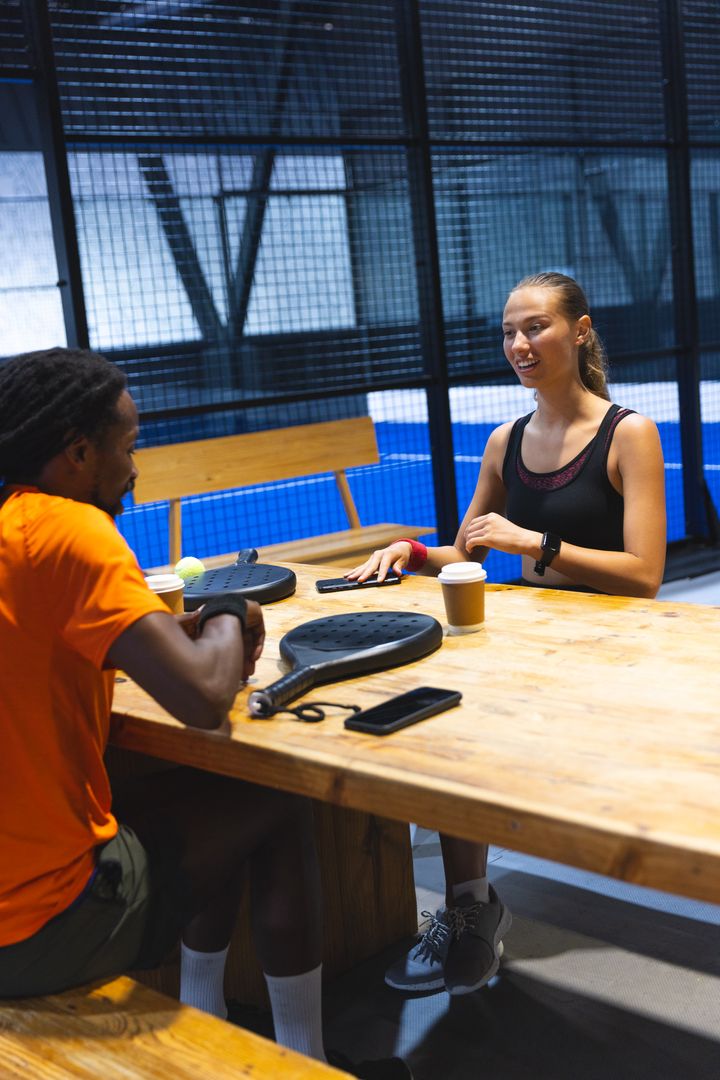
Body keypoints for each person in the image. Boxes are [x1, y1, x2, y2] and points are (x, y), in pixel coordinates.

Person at [0, 347, 411, 1080]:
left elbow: (37, 643)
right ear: (78, 452)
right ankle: (306, 1062)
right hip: (33, 928)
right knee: (274, 804)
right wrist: (223, 609)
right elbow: (200, 699)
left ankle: (212, 1012)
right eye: (127, 447)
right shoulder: (70, 532)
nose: (135, 466)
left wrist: (167, 637)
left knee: (201, 811)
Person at [347, 271, 666, 996]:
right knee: (443, 723)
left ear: (580, 331)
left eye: (536, 327)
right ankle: (471, 908)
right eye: (509, 332)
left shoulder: (629, 433)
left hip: (618, 650)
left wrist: (537, 543)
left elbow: (644, 574)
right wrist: (415, 552)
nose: (519, 344)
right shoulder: (506, 439)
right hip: (531, 640)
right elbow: (471, 550)